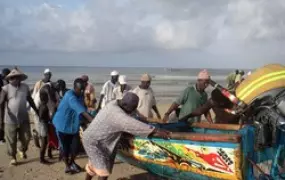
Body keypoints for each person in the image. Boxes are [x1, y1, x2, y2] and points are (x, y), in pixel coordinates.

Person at [82, 92, 171, 180]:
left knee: (93, 165)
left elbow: (133, 117)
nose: (132, 111)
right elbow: (133, 124)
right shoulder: (117, 115)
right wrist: (156, 130)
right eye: (131, 109)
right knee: (103, 172)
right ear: (125, 105)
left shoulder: (114, 103)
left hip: (97, 137)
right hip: (94, 142)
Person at [53, 78, 94, 174]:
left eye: (83, 89)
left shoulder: (80, 96)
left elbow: (84, 110)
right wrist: (95, 122)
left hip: (73, 126)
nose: (82, 92)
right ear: (75, 88)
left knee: (76, 148)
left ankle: (71, 163)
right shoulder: (70, 97)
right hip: (61, 126)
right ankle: (67, 166)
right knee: (65, 149)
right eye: (80, 90)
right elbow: (83, 112)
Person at [0, 67, 38, 165]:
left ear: (20, 78)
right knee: (11, 140)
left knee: (26, 137)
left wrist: (37, 111)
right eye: (13, 78)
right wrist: (1, 122)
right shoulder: (5, 89)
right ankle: (13, 157)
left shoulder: (25, 87)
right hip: (10, 119)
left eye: (17, 77)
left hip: (24, 118)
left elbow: (30, 100)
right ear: (9, 79)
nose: (15, 79)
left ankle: (21, 149)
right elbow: (1, 104)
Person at [31, 68, 53, 147]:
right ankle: (36, 136)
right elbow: (34, 95)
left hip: (45, 108)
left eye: (50, 74)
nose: (49, 76)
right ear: (44, 75)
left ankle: (45, 142)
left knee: (44, 127)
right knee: (39, 126)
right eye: (47, 74)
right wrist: (35, 109)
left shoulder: (50, 84)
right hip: (37, 107)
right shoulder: (39, 83)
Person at [38, 90, 51, 164]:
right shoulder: (44, 106)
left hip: (42, 124)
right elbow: (41, 116)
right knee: (44, 142)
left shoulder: (41, 105)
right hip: (43, 125)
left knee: (44, 141)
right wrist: (49, 119)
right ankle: (41, 159)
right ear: (46, 99)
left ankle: (42, 158)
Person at [0, 68, 10, 143]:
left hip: (5, 103)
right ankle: (1, 138)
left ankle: (3, 136)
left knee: (4, 120)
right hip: (1, 103)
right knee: (1, 120)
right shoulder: (2, 80)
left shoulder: (7, 80)